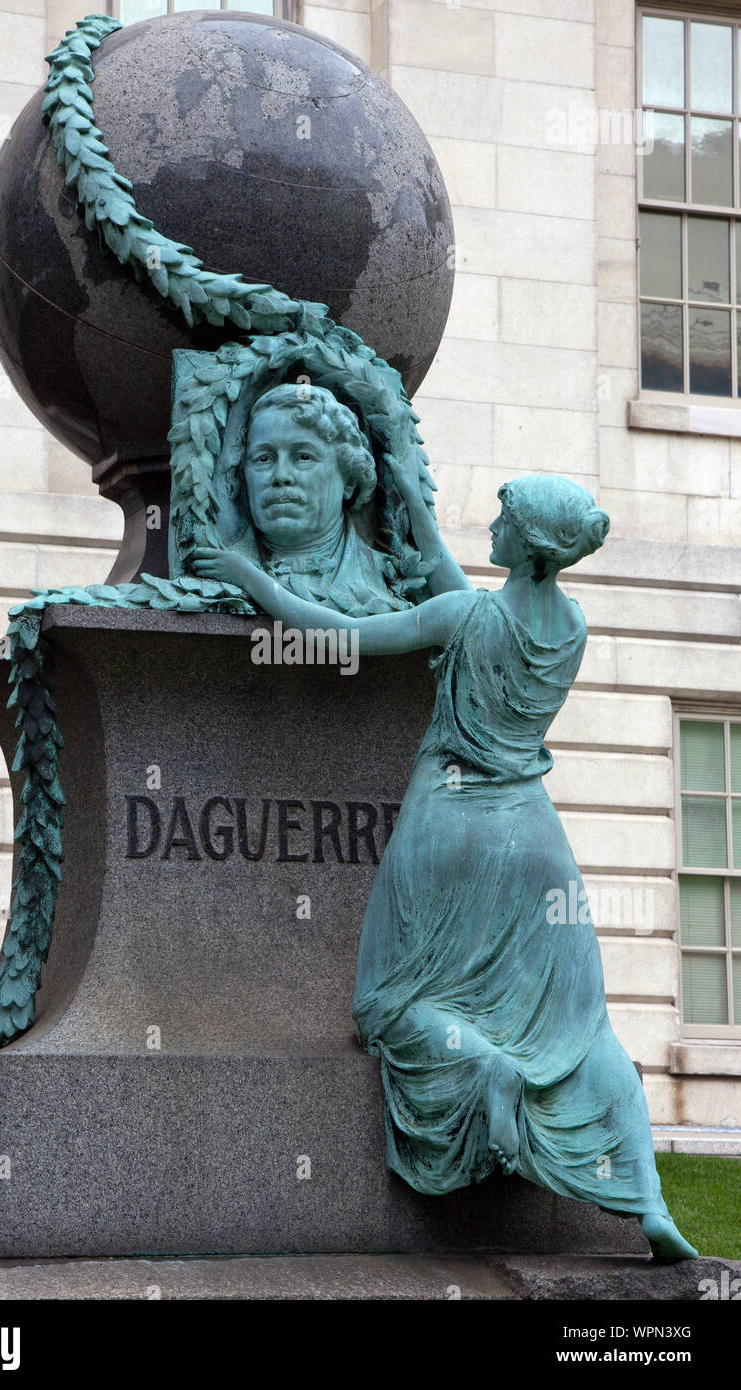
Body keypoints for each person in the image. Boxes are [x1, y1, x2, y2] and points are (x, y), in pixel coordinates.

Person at [192, 456, 697, 1262]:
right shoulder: (567, 629)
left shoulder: (462, 617)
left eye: (501, 517)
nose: (486, 525)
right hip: (535, 842)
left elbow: (341, 637)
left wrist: (252, 578)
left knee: (388, 1004)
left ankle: (485, 1070)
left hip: (449, 825)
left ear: (524, 542)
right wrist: (412, 500)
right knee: (580, 1027)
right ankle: (647, 1201)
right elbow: (462, 586)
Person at [228, 384, 414, 614]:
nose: (281, 476)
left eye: (303, 457)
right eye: (264, 459)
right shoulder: (217, 574)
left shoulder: (390, 577)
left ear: (349, 481)